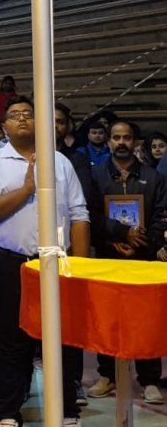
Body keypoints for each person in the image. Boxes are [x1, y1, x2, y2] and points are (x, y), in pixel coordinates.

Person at [0, 95, 93, 427]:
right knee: (10, 342)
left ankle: (67, 420)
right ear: (4, 126)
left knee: (63, 342)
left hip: (58, 262)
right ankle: (8, 419)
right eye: (15, 115)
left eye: (29, 113)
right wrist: (26, 190)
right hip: (11, 263)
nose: (23, 119)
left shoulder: (60, 162)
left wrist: (79, 266)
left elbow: (79, 214)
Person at [87, 119, 166, 405]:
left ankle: (149, 379)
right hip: (108, 256)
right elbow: (91, 215)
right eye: (116, 137)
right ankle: (107, 374)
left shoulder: (153, 177)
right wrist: (117, 237)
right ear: (109, 141)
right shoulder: (96, 175)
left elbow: (161, 216)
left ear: (136, 142)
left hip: (143, 259)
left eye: (127, 137)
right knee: (107, 319)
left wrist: (141, 243)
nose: (121, 142)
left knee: (146, 319)